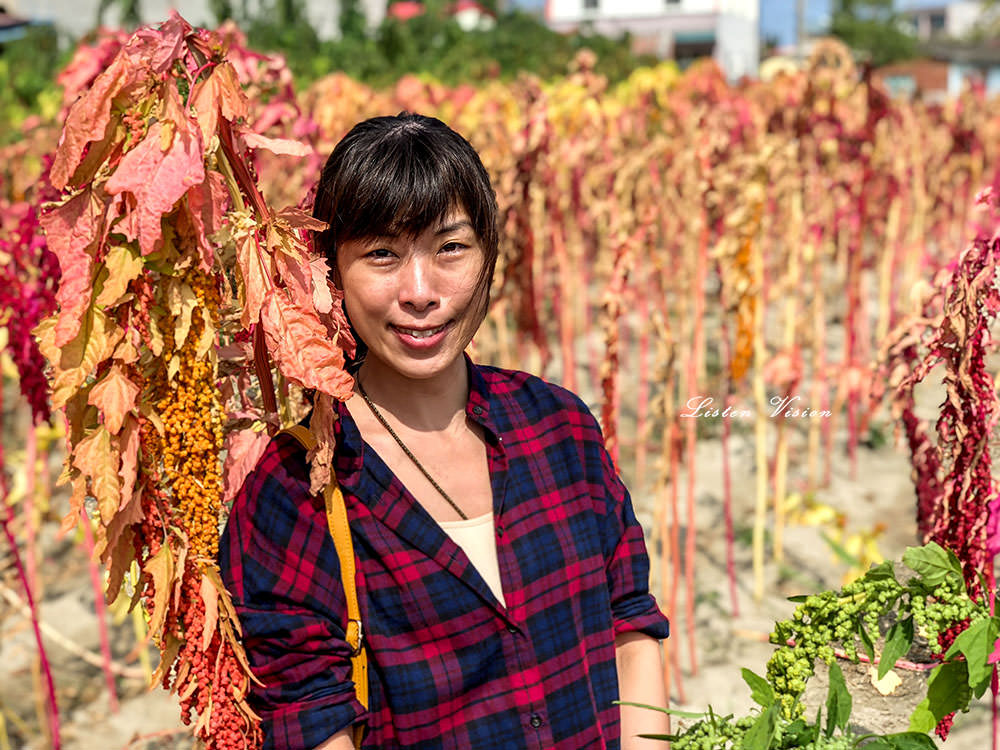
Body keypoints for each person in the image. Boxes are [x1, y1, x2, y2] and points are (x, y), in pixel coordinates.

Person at [219, 113, 670, 750]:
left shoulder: (560, 428)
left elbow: (629, 625)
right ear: (330, 274)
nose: (421, 292)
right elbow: (307, 719)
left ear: (490, 254)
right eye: (382, 254)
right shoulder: (299, 489)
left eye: (450, 248)